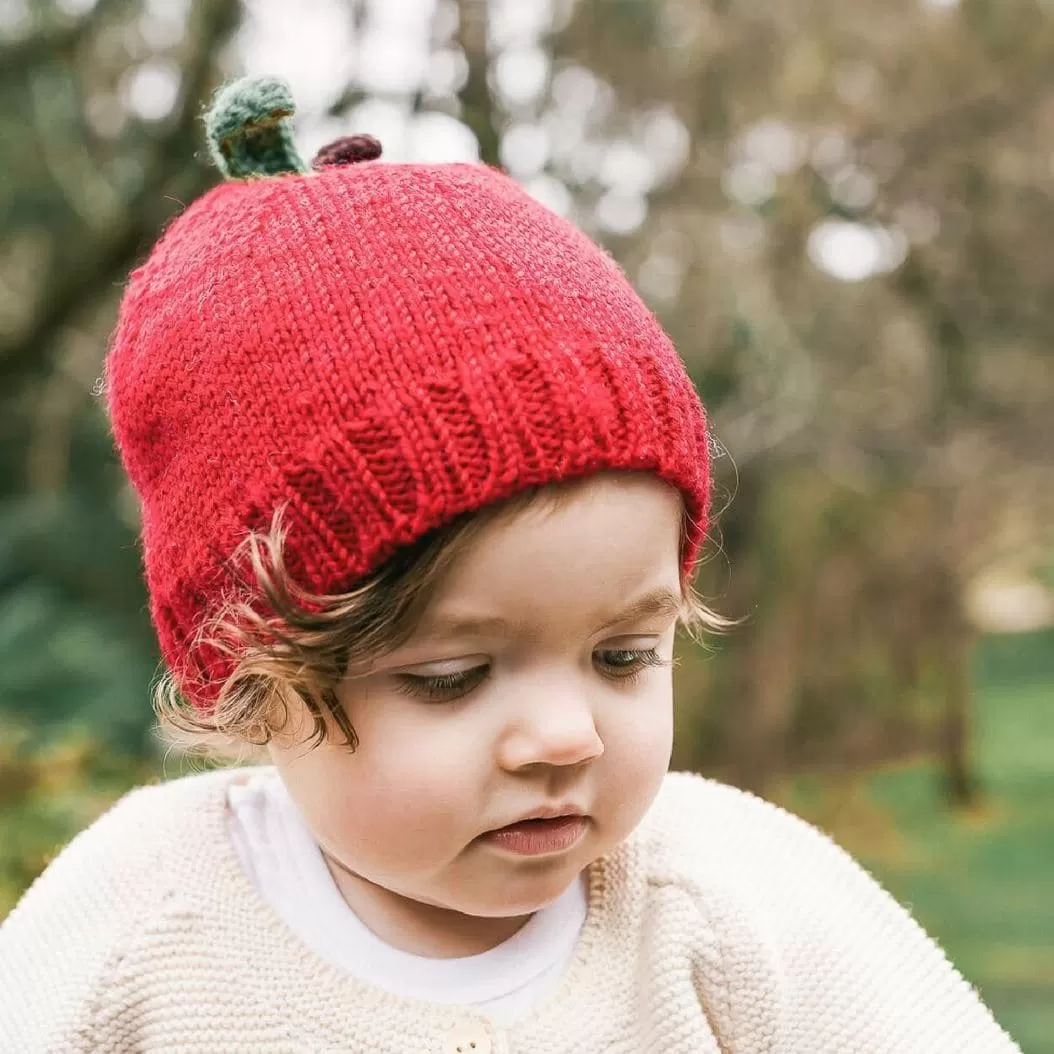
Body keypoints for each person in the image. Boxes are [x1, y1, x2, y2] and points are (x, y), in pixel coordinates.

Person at [0, 75, 1019, 1054]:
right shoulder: (139, 923)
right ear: (252, 681)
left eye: (622, 656)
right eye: (452, 678)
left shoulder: (728, 897)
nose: (565, 736)